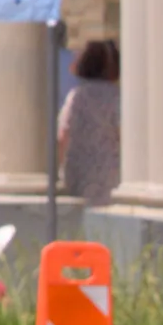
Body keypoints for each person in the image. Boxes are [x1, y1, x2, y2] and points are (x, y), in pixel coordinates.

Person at [55, 38, 122, 208]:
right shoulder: (116, 97)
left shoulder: (76, 95)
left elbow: (63, 135)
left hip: (79, 169)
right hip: (108, 171)